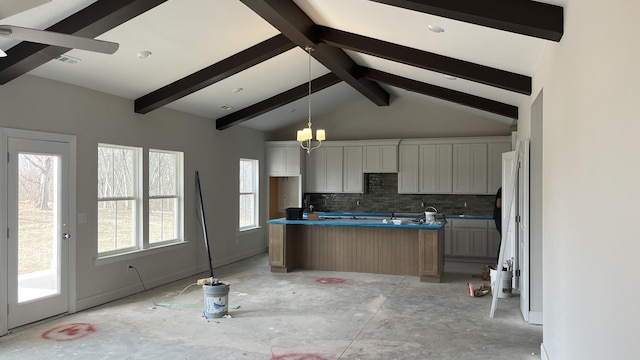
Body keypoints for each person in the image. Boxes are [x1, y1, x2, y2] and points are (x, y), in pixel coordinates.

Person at [493, 187, 502, 261]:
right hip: (499, 218)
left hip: (500, 218)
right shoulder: (502, 190)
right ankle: (500, 261)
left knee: (504, 239)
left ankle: (500, 261)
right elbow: (499, 204)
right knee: (504, 239)